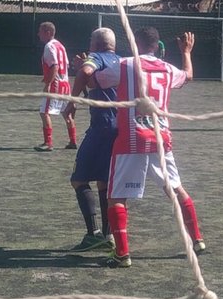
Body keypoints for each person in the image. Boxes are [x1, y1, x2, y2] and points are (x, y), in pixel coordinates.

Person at [99, 27, 205, 268]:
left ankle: (122, 254)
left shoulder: (126, 64)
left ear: (135, 42)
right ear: (156, 46)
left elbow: (100, 79)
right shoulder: (167, 69)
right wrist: (186, 52)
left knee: (115, 196)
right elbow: (188, 75)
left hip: (132, 138)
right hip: (160, 138)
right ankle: (197, 239)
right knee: (176, 189)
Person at [63, 28, 121, 252]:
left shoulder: (95, 58)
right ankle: (108, 235)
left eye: (90, 40)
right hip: (118, 127)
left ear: (96, 43)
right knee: (104, 183)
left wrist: (72, 102)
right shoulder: (120, 61)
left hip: (101, 127)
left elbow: (86, 72)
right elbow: (99, 86)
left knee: (78, 179)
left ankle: (93, 233)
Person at [35, 21, 76, 152]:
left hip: (56, 84)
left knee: (44, 112)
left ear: (48, 33)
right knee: (66, 113)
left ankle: (48, 143)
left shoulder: (49, 46)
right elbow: (66, 66)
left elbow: (55, 66)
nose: (38, 34)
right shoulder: (61, 46)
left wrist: (48, 84)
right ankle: (73, 141)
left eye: (40, 31)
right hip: (65, 83)